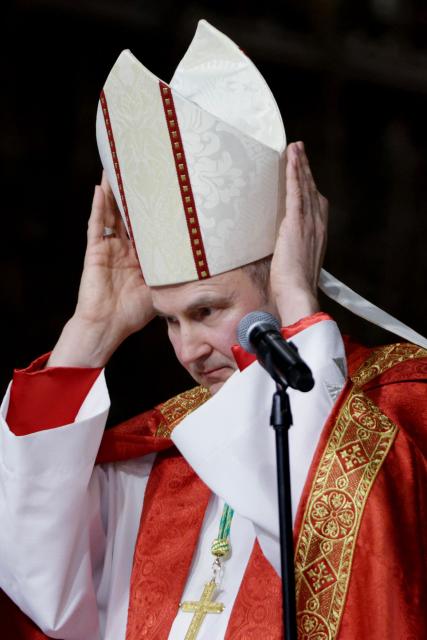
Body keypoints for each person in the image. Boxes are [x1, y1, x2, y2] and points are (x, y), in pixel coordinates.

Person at [0, 20, 426, 640]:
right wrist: (90, 332)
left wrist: (301, 307)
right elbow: (32, 584)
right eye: (169, 320)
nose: (188, 350)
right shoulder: (160, 460)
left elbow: (378, 574)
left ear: (283, 272)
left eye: (206, 311)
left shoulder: (404, 406)